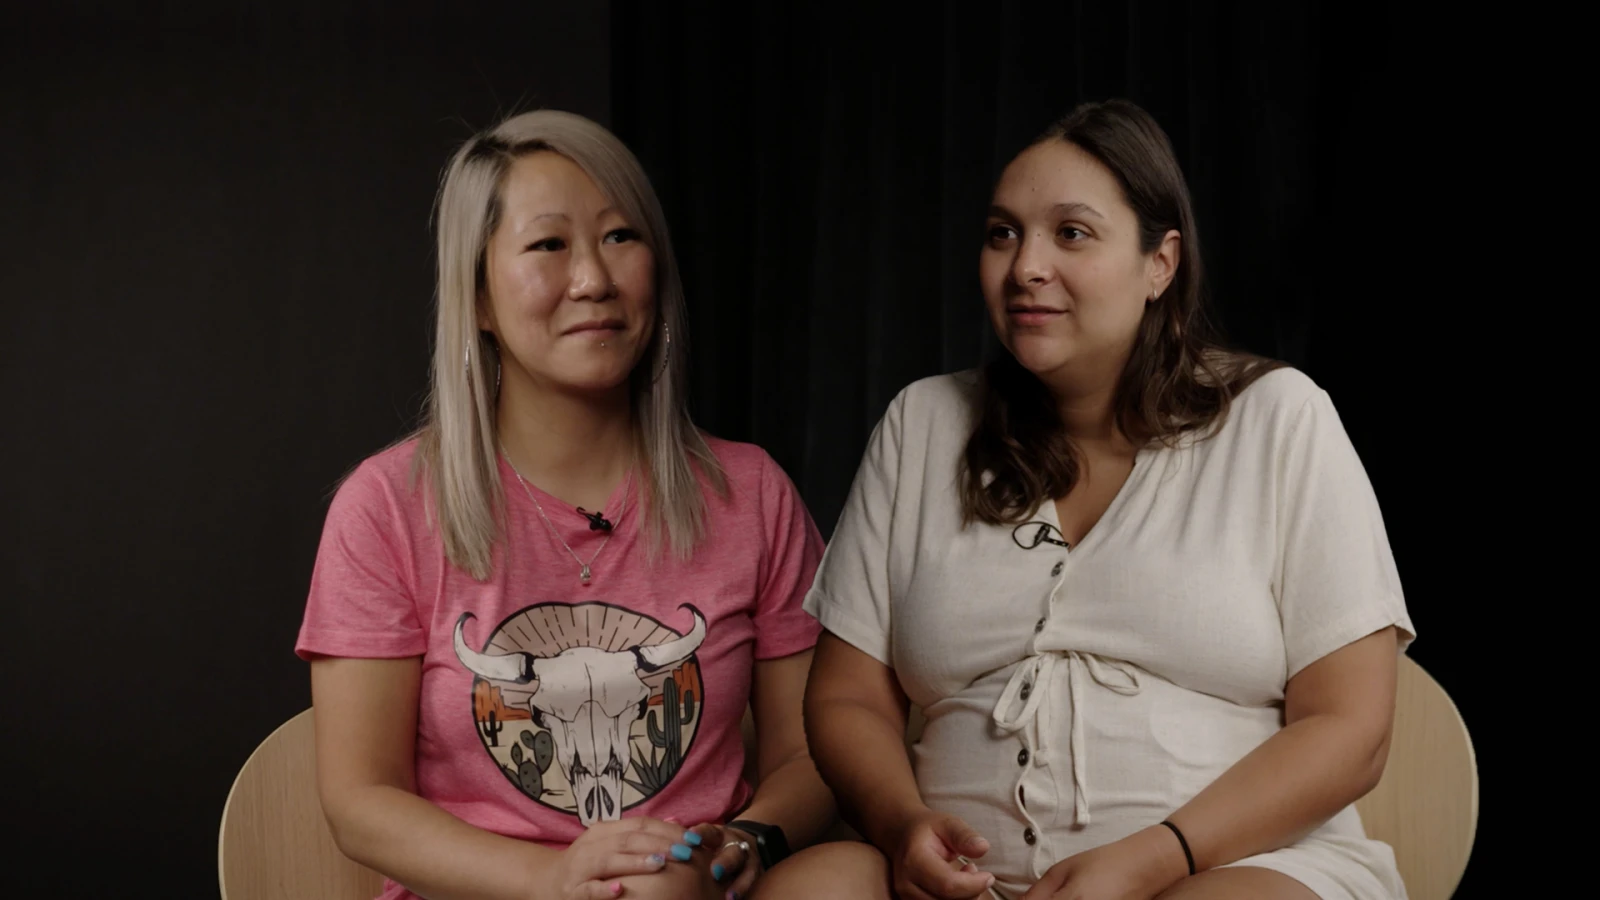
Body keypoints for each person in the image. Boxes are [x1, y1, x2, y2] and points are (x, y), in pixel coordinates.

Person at [774, 99, 1414, 900]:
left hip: (1224, 870)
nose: (1025, 267)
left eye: (1071, 233)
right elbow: (847, 697)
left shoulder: (1280, 419)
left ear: (1160, 263)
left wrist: (1154, 858)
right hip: (963, 886)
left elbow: (1351, 728)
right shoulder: (922, 424)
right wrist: (903, 826)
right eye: (1003, 233)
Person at [296, 109, 835, 900]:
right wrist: (554, 877)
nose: (594, 280)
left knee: (850, 875)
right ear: (478, 298)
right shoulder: (384, 507)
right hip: (495, 891)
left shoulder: (752, 492)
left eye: (621, 237)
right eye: (549, 245)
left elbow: (811, 751)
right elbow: (361, 804)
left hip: (694, 884)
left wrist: (746, 838)